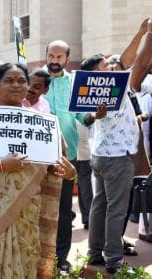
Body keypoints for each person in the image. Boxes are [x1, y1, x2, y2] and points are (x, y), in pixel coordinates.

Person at [0, 63, 76, 278]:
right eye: (9, 80)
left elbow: (58, 164)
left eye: (21, 81)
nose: (16, 85)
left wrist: (69, 172)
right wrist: (1, 164)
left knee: (25, 260)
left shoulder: (41, 123)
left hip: (27, 208)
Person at [85, 17, 152, 273]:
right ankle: (114, 259)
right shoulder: (114, 86)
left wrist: (141, 32)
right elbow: (138, 62)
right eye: (107, 64)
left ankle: (94, 253)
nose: (114, 65)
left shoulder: (98, 87)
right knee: (116, 210)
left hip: (102, 154)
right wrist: (149, 34)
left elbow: (129, 60)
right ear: (99, 72)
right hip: (117, 157)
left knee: (100, 205)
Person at [43, 40, 94, 270]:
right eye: (51, 56)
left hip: (66, 156)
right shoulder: (35, 78)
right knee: (39, 207)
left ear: (66, 58)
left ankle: (60, 259)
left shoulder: (74, 83)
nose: (54, 61)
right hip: (37, 156)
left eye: (59, 57)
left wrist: (95, 116)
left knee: (64, 210)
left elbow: (83, 116)